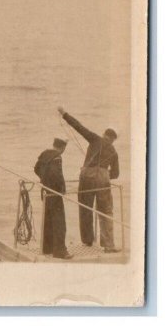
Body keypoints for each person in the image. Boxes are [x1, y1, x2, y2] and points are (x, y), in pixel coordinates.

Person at [58, 107, 120, 253]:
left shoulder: (95, 138)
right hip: (103, 178)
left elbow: (79, 127)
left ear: (104, 134)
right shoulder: (114, 151)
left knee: (85, 207)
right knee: (105, 211)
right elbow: (116, 174)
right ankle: (108, 244)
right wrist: (104, 174)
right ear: (114, 139)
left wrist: (64, 114)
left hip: (87, 176)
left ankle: (87, 240)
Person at [34, 138, 73, 259]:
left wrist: (44, 180)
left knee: (48, 219)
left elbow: (36, 169)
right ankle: (60, 251)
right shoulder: (57, 157)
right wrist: (61, 189)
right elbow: (57, 175)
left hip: (45, 192)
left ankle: (47, 248)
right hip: (55, 194)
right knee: (59, 222)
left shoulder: (45, 153)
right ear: (63, 147)